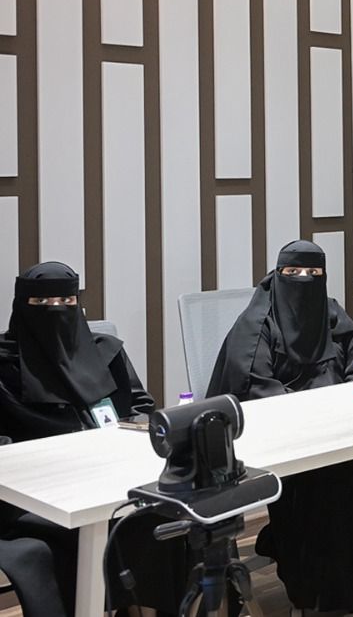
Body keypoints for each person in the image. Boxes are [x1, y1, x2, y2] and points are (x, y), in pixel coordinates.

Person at [208, 241, 353, 613]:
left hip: (342, 429)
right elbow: (258, 391)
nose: (304, 280)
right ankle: (311, 590)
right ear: (278, 274)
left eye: (313, 273)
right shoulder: (256, 325)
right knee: (329, 481)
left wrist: (348, 406)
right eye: (293, 273)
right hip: (285, 438)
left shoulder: (331, 314)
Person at [0, 262, 186, 616]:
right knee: (54, 547)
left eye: (66, 301)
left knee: (159, 518)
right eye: (42, 303)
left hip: (110, 480)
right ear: (21, 305)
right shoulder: (4, 364)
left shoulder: (106, 351)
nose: (56, 310)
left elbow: (141, 407)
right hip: (35, 498)